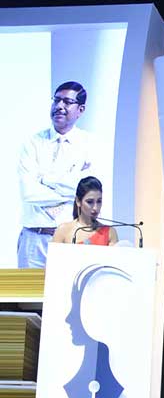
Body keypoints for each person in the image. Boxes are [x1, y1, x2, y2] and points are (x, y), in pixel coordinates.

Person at [17, 81, 96, 267]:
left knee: (70, 288)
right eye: (56, 100)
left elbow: (87, 192)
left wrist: (45, 179)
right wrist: (69, 188)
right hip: (33, 239)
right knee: (28, 287)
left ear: (81, 109)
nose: (59, 106)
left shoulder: (89, 144)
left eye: (67, 102)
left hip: (72, 239)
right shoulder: (33, 143)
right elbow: (29, 193)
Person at [52, 176, 118, 246]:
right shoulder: (63, 231)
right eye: (90, 202)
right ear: (78, 201)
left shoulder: (110, 232)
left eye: (99, 201)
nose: (95, 208)